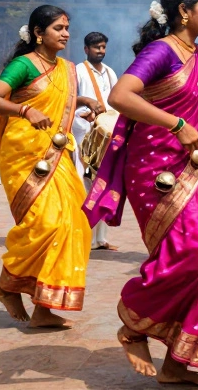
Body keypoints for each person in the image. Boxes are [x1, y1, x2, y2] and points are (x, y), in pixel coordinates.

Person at [85, 0, 198, 384]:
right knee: (196, 254)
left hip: (194, 167)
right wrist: (177, 124)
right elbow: (121, 96)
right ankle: (134, 325)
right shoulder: (161, 51)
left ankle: (177, 363)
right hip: (158, 172)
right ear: (184, 11)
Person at [0, 5, 100, 328]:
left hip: (57, 153)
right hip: (23, 156)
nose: (66, 33)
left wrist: (83, 103)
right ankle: (7, 286)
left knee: (73, 222)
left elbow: (56, 102)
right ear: (38, 32)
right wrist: (23, 112)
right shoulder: (23, 65)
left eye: (67, 28)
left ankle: (43, 307)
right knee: (44, 224)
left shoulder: (66, 68)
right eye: (58, 28)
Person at [72, 31, 119, 252]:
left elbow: (117, 102)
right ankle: (84, 236)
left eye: (102, 47)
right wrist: (86, 112)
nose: (100, 51)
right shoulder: (77, 72)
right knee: (85, 183)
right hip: (84, 134)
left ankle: (100, 238)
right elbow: (70, 102)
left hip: (106, 134)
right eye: (96, 47)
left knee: (104, 184)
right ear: (86, 49)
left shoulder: (110, 73)